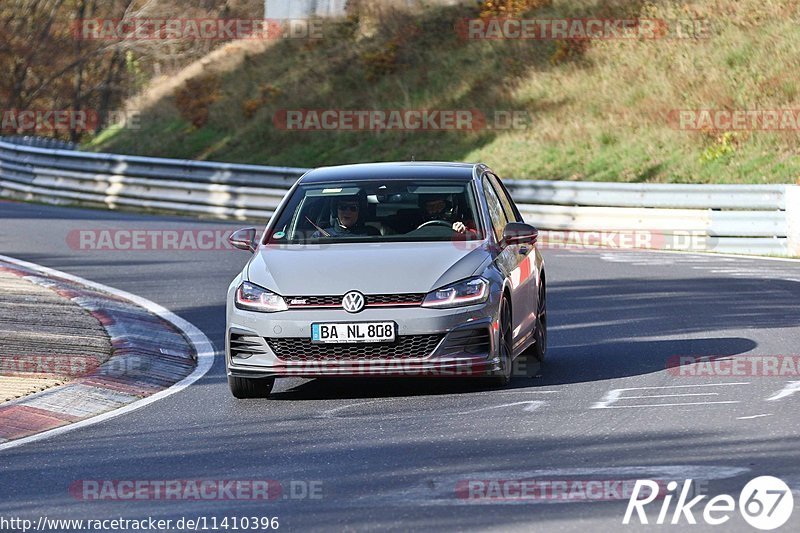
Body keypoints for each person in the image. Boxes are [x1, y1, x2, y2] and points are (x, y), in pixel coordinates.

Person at [311, 193, 380, 238]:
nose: (347, 212)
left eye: (353, 208)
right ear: (335, 211)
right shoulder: (320, 236)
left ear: (360, 212)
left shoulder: (371, 234)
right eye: (343, 207)